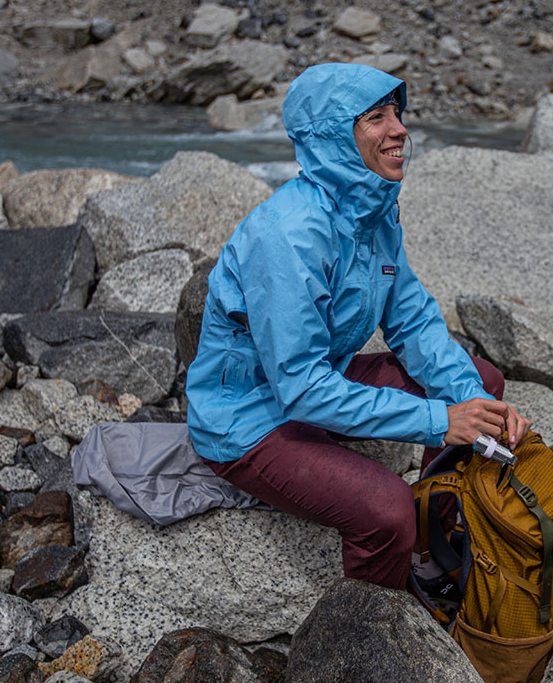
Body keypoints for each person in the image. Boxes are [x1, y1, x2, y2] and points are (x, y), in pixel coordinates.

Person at [186, 63, 531, 590]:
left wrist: (467, 409)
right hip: (251, 416)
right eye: (376, 117)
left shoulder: (374, 213)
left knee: (481, 386)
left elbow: (413, 320)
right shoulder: (290, 235)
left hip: (318, 381)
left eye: (397, 113)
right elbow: (298, 386)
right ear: (333, 139)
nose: (399, 130)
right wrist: (439, 421)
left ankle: (426, 554)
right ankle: (368, 631)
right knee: (387, 508)